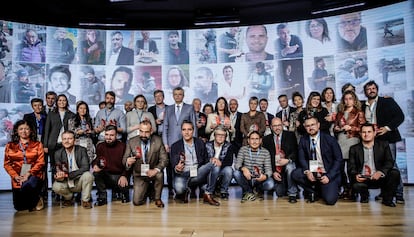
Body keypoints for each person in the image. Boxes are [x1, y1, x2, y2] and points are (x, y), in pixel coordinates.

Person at [361, 80, 405, 204]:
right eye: (369, 89)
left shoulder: (387, 101)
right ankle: (386, 192)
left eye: (373, 88)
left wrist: (387, 128)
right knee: (380, 167)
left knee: (392, 165)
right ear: (365, 92)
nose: (371, 90)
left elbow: (400, 116)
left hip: (388, 138)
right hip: (373, 141)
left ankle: (399, 193)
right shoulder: (363, 105)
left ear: (377, 90)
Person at [292, 116, 342, 205]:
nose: (310, 128)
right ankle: (313, 191)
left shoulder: (330, 139)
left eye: (313, 125)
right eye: (307, 126)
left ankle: (324, 188)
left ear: (318, 125)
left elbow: (338, 160)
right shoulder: (303, 140)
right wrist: (307, 171)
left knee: (330, 200)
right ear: (305, 127)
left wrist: (329, 176)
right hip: (313, 170)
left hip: (327, 172)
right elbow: (301, 158)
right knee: (295, 174)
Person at [348, 123, 400, 207]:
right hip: (364, 179)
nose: (366, 134)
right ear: (360, 134)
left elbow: (389, 162)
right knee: (356, 185)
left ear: (374, 133)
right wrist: (356, 175)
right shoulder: (354, 148)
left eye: (369, 132)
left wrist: (380, 172)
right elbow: (351, 166)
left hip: (379, 177)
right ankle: (364, 196)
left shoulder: (384, 145)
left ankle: (387, 200)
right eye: (364, 132)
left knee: (395, 173)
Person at [170, 120, 220, 205]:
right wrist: (177, 168)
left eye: (189, 129)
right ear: (181, 131)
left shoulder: (200, 143)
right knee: (179, 189)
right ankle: (186, 190)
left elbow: (205, 159)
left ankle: (208, 194)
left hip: (198, 172)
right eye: (184, 129)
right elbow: (173, 163)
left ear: (193, 131)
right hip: (183, 174)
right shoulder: (175, 146)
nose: (186, 132)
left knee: (215, 164)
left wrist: (212, 159)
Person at [124, 120, 168, 207]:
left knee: (159, 174)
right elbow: (124, 159)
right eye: (141, 131)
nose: (143, 135)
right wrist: (127, 162)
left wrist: (155, 170)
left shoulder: (158, 140)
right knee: (136, 202)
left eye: (146, 132)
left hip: (153, 172)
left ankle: (157, 198)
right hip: (139, 174)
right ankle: (147, 189)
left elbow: (165, 159)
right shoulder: (131, 141)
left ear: (151, 131)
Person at [4, 120, 45, 211]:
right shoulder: (10, 146)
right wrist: (15, 176)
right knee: (19, 207)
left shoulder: (37, 144)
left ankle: (38, 197)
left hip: (34, 175)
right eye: (21, 129)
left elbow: (41, 162)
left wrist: (28, 174)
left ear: (31, 131)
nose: (24, 131)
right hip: (18, 177)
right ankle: (31, 198)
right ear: (17, 131)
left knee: (29, 185)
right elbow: (7, 164)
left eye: (27, 129)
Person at [162, 87, 197, 195]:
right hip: (171, 143)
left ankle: (189, 187)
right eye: (175, 94)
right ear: (173, 95)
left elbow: (194, 125)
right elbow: (165, 127)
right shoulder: (168, 109)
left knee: (186, 164)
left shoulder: (189, 108)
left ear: (183, 95)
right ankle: (171, 188)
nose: (177, 96)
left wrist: (194, 142)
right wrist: (165, 143)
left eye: (180, 94)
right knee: (171, 166)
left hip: (186, 141)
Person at [333, 90, 366, 199]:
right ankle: (346, 189)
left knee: (351, 168)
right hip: (341, 140)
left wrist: (351, 127)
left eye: (350, 98)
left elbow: (363, 128)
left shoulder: (359, 112)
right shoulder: (340, 113)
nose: (348, 101)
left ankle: (353, 190)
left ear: (354, 100)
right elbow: (335, 127)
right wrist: (336, 128)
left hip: (352, 140)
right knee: (340, 167)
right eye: (346, 99)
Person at [43, 94, 75, 200]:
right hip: (53, 144)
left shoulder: (71, 114)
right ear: (57, 102)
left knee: (65, 167)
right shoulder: (51, 114)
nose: (62, 102)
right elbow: (47, 130)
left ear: (67, 102)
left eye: (64, 100)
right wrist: (45, 145)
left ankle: (65, 189)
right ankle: (55, 190)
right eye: (60, 100)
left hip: (66, 144)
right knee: (54, 167)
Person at [52, 130, 94, 209]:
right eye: (64, 139)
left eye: (69, 139)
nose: (66, 141)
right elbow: (58, 169)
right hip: (66, 181)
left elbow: (85, 167)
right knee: (55, 186)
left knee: (88, 175)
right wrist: (58, 176)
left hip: (79, 180)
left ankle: (85, 200)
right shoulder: (58, 153)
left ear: (74, 140)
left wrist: (69, 175)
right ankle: (68, 198)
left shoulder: (82, 150)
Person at [262, 117, 298, 203]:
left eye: (279, 125)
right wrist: (273, 171)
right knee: (280, 193)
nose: (277, 128)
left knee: (290, 167)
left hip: (287, 165)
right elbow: (266, 158)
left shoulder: (290, 135)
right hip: (275, 170)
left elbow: (296, 151)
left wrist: (288, 160)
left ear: (282, 126)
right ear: (270, 127)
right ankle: (280, 185)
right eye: (274, 126)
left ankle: (292, 194)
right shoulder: (266, 139)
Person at [94, 125, 129, 206]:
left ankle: (122, 192)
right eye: (106, 135)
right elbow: (96, 160)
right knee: (96, 173)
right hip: (106, 175)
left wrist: (124, 175)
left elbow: (128, 165)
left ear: (116, 136)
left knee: (124, 192)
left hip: (119, 176)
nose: (108, 138)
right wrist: (95, 165)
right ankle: (102, 197)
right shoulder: (100, 146)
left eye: (111, 135)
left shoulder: (123, 146)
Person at [233, 131, 273, 202]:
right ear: (248, 140)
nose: (254, 141)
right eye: (252, 139)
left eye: (257, 139)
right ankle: (249, 192)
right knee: (236, 173)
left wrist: (264, 176)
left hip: (259, 179)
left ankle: (257, 190)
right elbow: (237, 165)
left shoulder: (265, 152)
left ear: (260, 140)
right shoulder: (243, 149)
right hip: (247, 178)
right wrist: (243, 168)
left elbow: (269, 170)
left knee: (270, 183)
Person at [205, 126, 235, 200]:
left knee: (229, 170)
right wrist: (211, 160)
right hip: (209, 172)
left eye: (223, 135)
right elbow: (203, 160)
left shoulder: (229, 146)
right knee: (215, 168)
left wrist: (220, 163)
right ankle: (210, 192)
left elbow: (229, 162)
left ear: (225, 137)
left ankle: (223, 191)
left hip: (221, 170)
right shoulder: (207, 145)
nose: (221, 137)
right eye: (218, 135)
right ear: (214, 136)